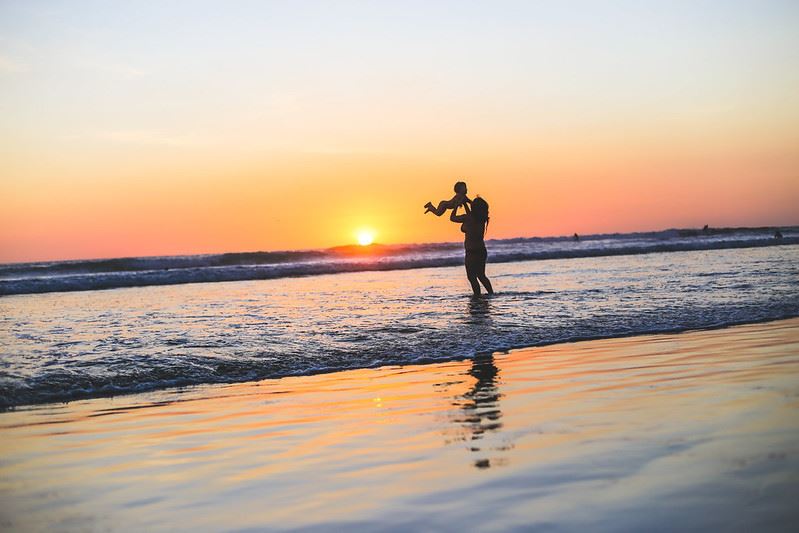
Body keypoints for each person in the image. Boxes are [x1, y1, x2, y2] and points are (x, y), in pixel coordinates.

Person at [450, 197, 494, 295]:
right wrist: (466, 203)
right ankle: (491, 294)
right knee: (481, 276)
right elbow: (472, 214)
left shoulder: (468, 218)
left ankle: (477, 296)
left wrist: (456, 206)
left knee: (471, 277)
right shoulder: (482, 219)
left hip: (471, 252)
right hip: (481, 251)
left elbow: (452, 218)